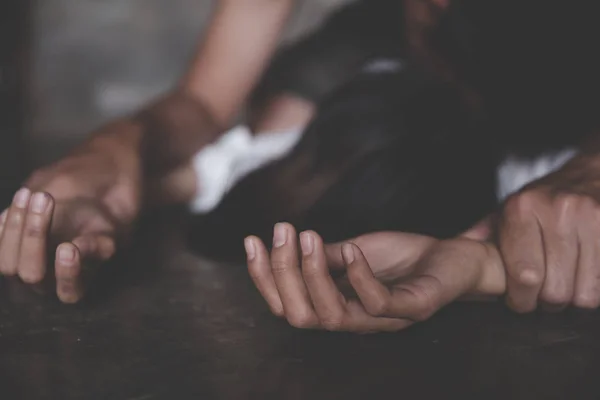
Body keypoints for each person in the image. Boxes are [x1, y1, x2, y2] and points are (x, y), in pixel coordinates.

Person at [0, 0, 598, 332]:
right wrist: (115, 155)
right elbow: (205, 101)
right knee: (294, 122)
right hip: (401, 64)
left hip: (562, 77)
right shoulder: (358, 79)